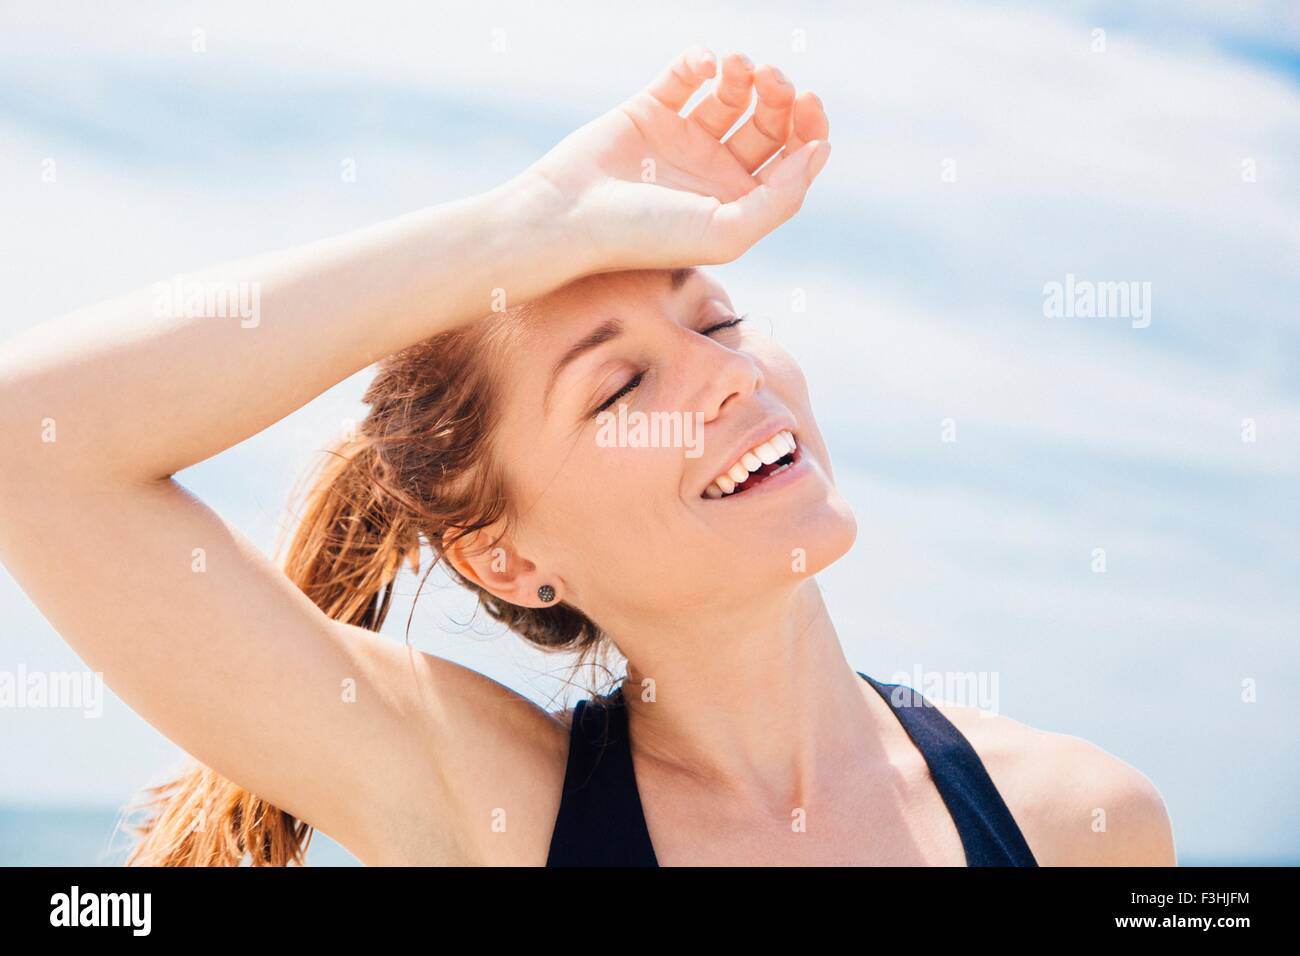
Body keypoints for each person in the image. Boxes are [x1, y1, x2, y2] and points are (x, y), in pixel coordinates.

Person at [0, 47, 1175, 866]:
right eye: (618, 385)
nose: (727, 373)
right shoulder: (497, 807)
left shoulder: (1082, 818)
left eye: (715, 319)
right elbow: (33, 436)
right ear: (504, 556)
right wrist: (522, 227)